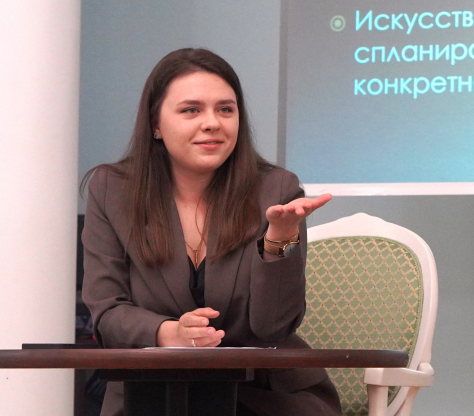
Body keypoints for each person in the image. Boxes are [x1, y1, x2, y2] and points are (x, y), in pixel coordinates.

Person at [81, 48, 340, 416]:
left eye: (225, 110)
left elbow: (273, 327)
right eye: (191, 110)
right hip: (153, 395)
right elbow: (107, 311)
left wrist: (279, 241)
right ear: (156, 124)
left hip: (263, 396)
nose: (212, 123)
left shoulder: (276, 189)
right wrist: (169, 333)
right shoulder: (112, 190)